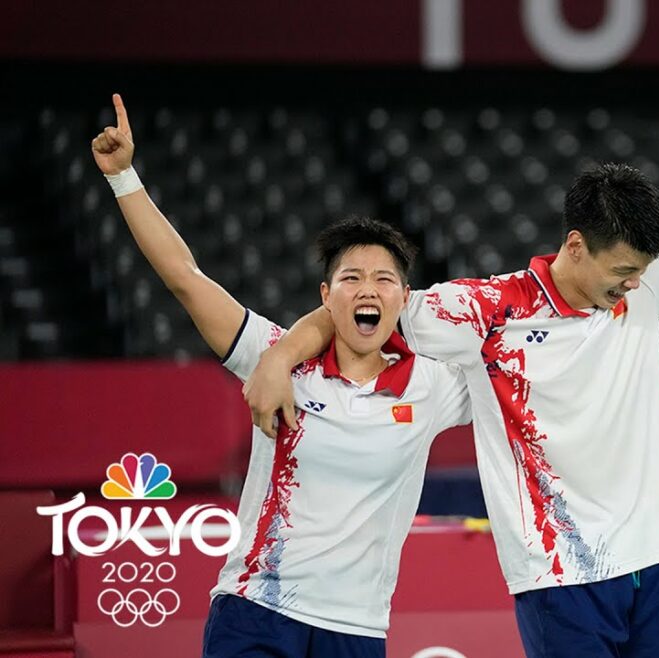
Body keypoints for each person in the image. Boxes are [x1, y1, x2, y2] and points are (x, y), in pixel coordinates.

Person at [244, 91, 659, 657]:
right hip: (558, 573)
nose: (633, 286)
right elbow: (363, 304)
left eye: (642, 272)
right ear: (575, 246)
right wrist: (279, 356)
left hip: (652, 556)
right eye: (621, 272)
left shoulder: (647, 281)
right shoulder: (484, 311)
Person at [91, 94, 471, 658]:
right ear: (326, 296)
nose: (367, 288)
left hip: (356, 628)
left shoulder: (433, 387)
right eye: (351, 278)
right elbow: (186, 279)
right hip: (257, 611)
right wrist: (124, 178)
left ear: (405, 298)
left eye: (383, 279)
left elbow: (521, 358)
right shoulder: (277, 357)